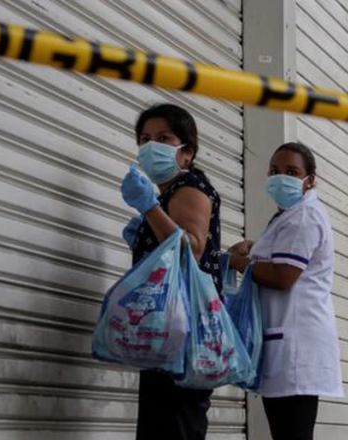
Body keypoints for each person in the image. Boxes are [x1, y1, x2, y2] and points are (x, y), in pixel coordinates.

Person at [119, 103, 223, 440]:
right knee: (163, 427)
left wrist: (149, 208)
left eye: (163, 137)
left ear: (186, 151)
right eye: (145, 138)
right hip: (167, 330)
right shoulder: (169, 195)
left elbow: (191, 248)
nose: (151, 146)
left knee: (174, 427)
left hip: (184, 331)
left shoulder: (189, 187)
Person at [227, 142, 343, 440]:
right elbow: (282, 256)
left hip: (296, 347)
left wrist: (240, 263)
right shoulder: (290, 215)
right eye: (275, 171)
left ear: (310, 179)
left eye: (292, 171)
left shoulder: (304, 216)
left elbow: (283, 276)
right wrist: (256, 249)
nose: (281, 178)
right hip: (288, 342)